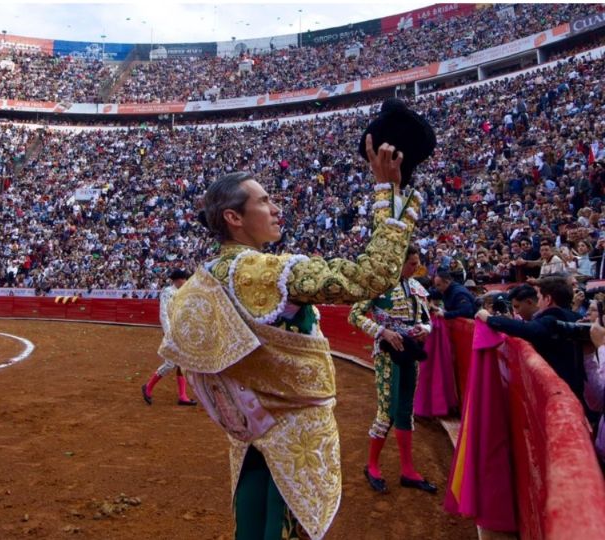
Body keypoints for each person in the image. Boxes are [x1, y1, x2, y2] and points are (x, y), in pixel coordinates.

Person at [159, 134, 424, 539]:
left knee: (253, 518)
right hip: (295, 430)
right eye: (264, 201)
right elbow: (372, 277)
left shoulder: (203, 279)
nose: (276, 207)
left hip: (251, 428)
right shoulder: (268, 271)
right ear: (234, 217)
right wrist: (387, 195)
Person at [349, 245, 437, 495]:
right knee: (386, 409)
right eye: (412, 264)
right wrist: (382, 331)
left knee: (405, 409)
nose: (416, 268)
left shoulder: (418, 288)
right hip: (388, 352)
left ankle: (408, 470)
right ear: (399, 263)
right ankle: (372, 466)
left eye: (417, 263)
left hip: (410, 351)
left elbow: (427, 320)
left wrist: (425, 330)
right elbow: (354, 316)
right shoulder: (379, 286)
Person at [476, 275, 592, 422]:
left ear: (548, 299)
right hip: (580, 390)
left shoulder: (552, 318)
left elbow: (528, 330)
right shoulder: (575, 317)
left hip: (562, 392)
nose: (538, 302)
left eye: (539, 296)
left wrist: (489, 319)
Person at [141, 268, 197, 406]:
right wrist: (168, 333)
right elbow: (164, 313)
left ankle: (182, 396)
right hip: (172, 332)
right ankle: (148, 387)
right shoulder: (168, 292)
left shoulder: (184, 292)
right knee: (171, 363)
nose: (186, 281)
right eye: (184, 279)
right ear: (178, 280)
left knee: (181, 364)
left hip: (182, 332)